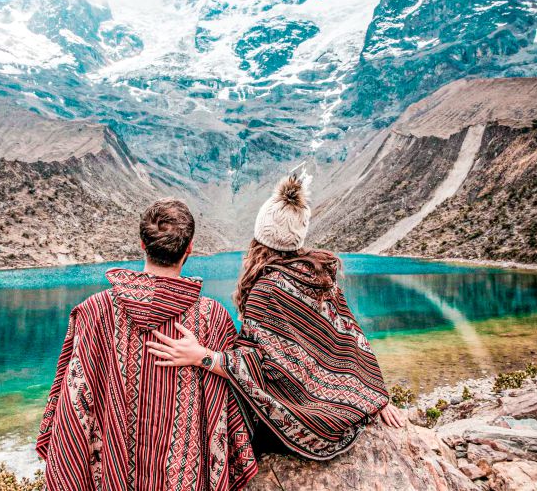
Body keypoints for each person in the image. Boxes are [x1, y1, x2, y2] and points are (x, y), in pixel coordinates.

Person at [148, 172, 404, 461]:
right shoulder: (320, 278)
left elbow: (254, 366)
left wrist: (201, 356)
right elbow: (350, 341)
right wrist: (373, 397)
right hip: (340, 416)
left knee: (230, 396)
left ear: (260, 236)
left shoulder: (265, 290)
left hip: (305, 426)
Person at [36, 198, 257, 490]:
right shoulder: (212, 318)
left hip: (113, 475)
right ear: (189, 247)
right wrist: (204, 357)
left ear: (142, 244)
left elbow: (74, 403)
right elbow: (250, 375)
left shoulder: (93, 312)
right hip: (184, 476)